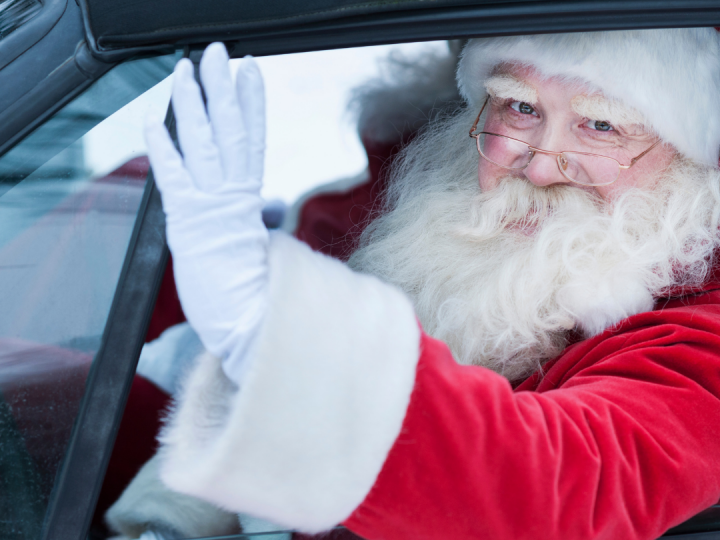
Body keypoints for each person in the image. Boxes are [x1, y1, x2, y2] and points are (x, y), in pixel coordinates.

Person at [118, 28, 720, 539]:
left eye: (600, 125)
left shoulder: (705, 335)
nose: (537, 164)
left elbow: (560, 486)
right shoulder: (453, 239)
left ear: (691, 155)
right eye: (522, 108)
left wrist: (270, 334)